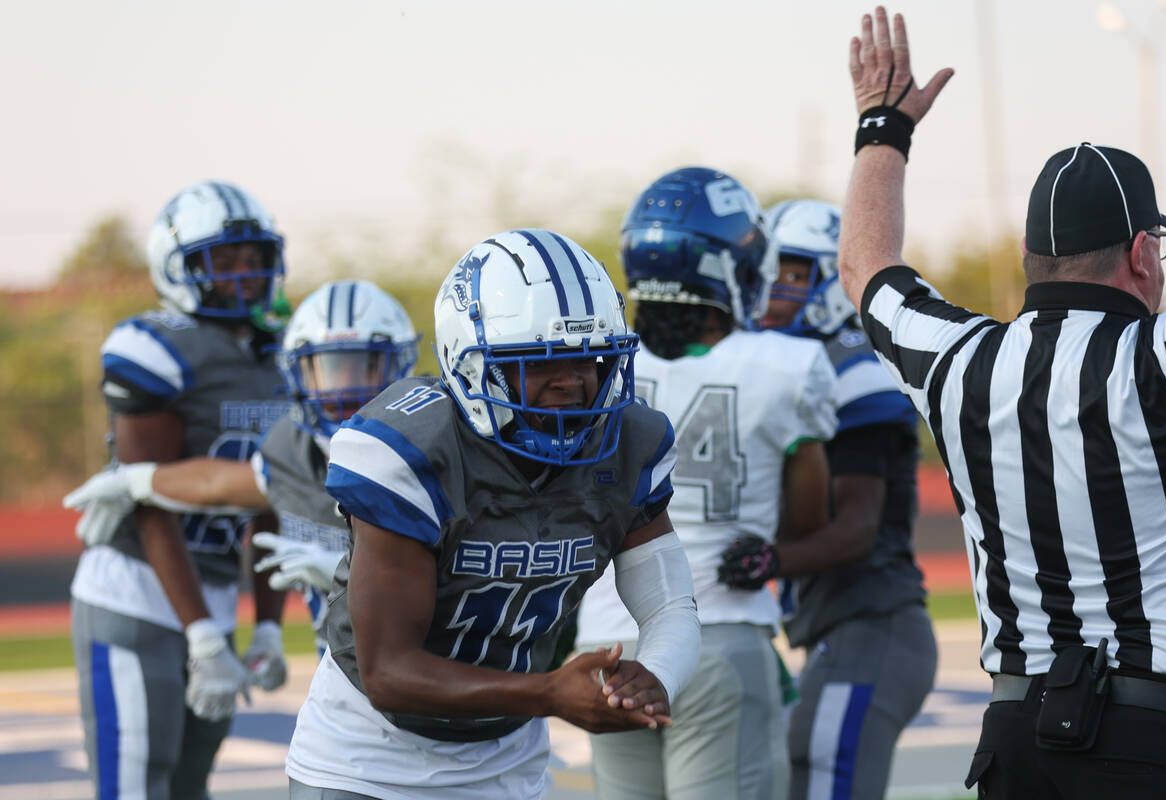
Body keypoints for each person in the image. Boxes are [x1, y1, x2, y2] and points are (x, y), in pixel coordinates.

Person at [838, 7, 1166, 797]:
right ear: (1142, 254)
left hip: (1016, 740)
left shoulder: (961, 361)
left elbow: (865, 268)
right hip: (1159, 735)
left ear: (1035, 260)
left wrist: (881, 128)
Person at [284, 228, 702, 799]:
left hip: (506, 760)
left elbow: (671, 605)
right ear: (473, 365)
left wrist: (654, 680)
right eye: (540, 362)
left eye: (592, 360)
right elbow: (390, 672)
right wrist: (548, 693)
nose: (574, 384)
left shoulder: (630, 441)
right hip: (368, 758)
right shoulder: (411, 450)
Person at [575, 167, 839, 800]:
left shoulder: (588, 366)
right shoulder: (789, 366)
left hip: (603, 644)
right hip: (716, 634)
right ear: (729, 268)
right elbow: (807, 520)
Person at [67, 181, 293, 799]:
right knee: (139, 785)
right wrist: (199, 632)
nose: (247, 276)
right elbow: (149, 501)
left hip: (215, 588)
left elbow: (270, 498)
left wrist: (267, 625)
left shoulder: (278, 355)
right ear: (181, 267)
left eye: (255, 258)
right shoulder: (155, 348)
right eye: (227, 261)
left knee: (190, 787)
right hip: (137, 592)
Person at [64, 279, 422, 657]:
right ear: (296, 375)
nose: (342, 390)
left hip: (418, 665)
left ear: (400, 367)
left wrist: (352, 573)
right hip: (342, 673)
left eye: (364, 368)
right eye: (328, 369)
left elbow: (460, 572)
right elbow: (217, 481)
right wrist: (136, 480)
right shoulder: (293, 447)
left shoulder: (427, 447)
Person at [721, 197, 936, 800]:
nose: (772, 287)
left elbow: (857, 526)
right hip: (839, 630)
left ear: (831, 281)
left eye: (790, 272)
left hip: (873, 625)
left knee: (823, 785)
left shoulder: (855, 369)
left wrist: (769, 562)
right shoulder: (788, 367)